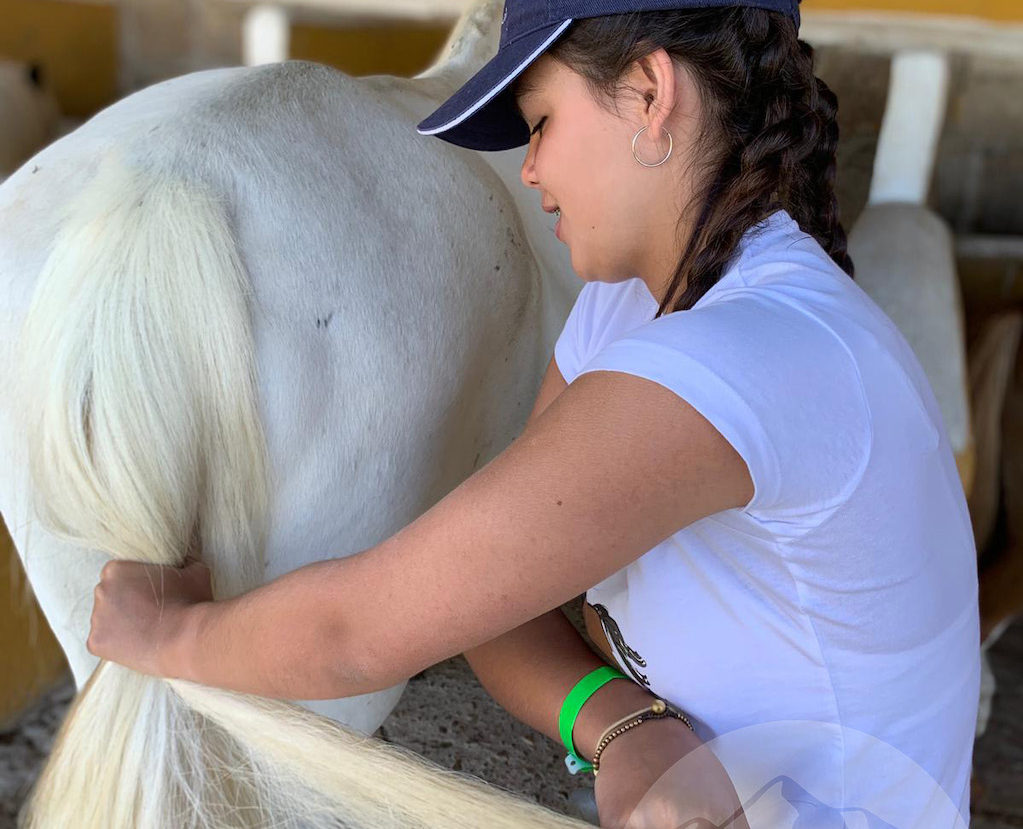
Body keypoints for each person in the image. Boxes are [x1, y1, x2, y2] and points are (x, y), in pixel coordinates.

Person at [87, 0, 981, 826]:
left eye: (541, 123)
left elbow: (356, 632)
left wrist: (167, 631)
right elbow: (495, 599)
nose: (531, 169)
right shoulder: (632, 309)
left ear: (648, 91)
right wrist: (621, 720)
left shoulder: (745, 356)